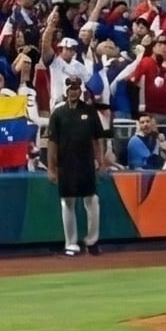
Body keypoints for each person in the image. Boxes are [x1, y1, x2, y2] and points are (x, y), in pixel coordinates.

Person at [46, 87, 110, 257]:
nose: (73, 92)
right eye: (70, 89)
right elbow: (52, 142)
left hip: (86, 163)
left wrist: (101, 162)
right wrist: (51, 168)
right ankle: (71, 243)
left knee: (92, 199)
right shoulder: (58, 113)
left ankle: (92, 240)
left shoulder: (89, 111)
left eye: (76, 89)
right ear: (66, 91)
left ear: (80, 91)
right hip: (65, 164)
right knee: (67, 202)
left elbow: (98, 139)